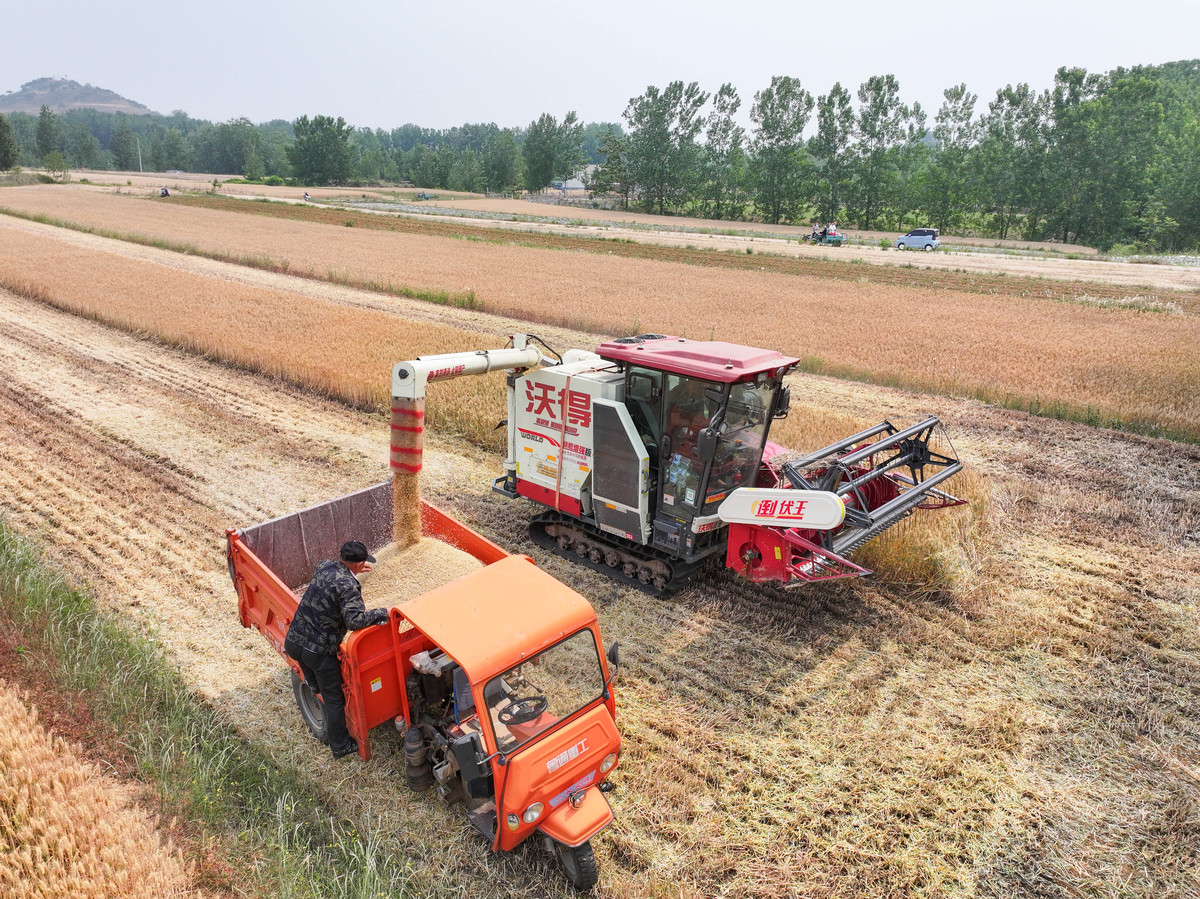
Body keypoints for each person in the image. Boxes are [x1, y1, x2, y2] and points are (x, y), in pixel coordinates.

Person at [284, 540, 389, 758]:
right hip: (318, 652)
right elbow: (355, 620)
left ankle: (313, 685)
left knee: (313, 678)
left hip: (295, 640)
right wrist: (382, 612)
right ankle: (340, 746)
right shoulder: (348, 586)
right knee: (335, 701)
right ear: (359, 563)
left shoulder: (324, 565)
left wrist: (352, 573)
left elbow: (333, 583)